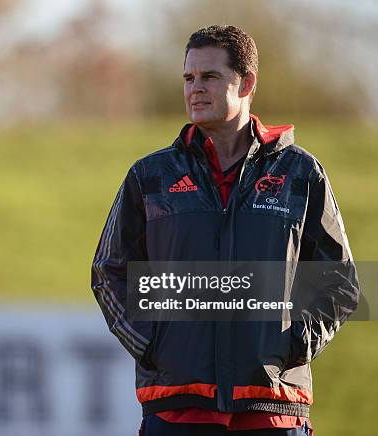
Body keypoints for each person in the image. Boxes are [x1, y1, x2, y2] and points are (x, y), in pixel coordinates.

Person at [91, 25, 358, 435]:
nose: (195, 88)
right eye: (188, 78)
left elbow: (340, 281)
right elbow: (109, 270)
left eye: (209, 76)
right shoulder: (151, 176)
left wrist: (294, 343)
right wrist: (151, 345)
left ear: (246, 82)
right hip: (176, 407)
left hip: (273, 409)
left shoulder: (301, 173)